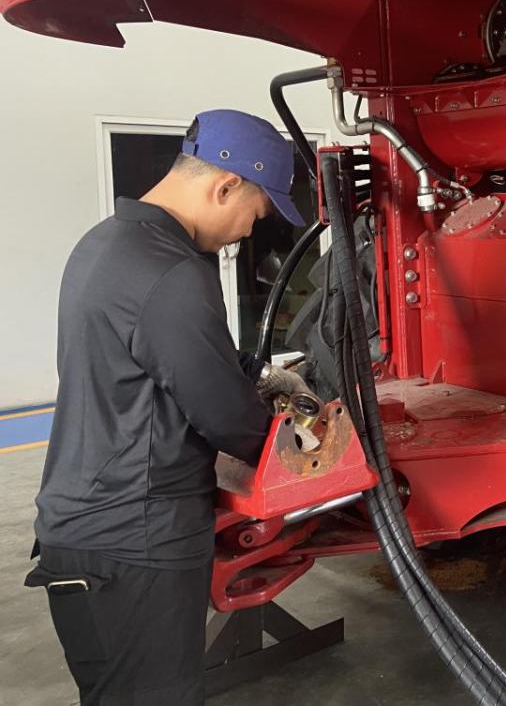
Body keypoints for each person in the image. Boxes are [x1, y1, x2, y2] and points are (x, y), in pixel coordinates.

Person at [25, 109, 315, 705]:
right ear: (225, 185)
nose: (245, 233)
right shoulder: (173, 271)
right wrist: (303, 442)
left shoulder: (107, 243)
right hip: (136, 544)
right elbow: (230, 421)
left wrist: (255, 372)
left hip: (90, 528)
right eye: (255, 215)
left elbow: (167, 357)